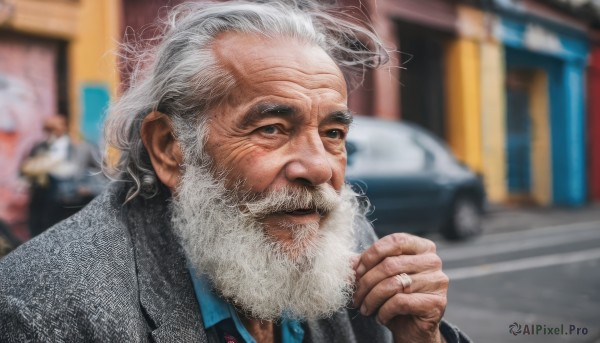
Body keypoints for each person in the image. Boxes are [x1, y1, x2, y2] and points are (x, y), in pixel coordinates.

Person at [0, 1, 471, 342]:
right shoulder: (43, 308)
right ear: (170, 147)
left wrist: (420, 339)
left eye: (333, 133)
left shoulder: (350, 246)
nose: (318, 168)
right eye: (271, 128)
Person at [20, 115, 105, 237]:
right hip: (47, 206)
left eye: (55, 128)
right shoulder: (39, 148)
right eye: (48, 129)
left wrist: (89, 188)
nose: (52, 132)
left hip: (74, 204)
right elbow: (27, 171)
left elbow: (102, 171)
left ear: (64, 128)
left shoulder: (82, 148)